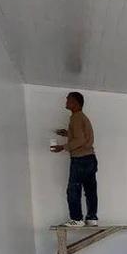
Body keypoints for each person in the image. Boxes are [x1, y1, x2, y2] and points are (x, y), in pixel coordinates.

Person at [51, 91, 98, 227]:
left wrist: (63, 147)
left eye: (68, 99)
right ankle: (92, 218)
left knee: (73, 189)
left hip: (80, 160)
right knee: (90, 190)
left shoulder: (75, 118)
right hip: (90, 159)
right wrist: (68, 133)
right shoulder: (82, 117)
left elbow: (80, 140)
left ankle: (77, 219)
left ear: (75, 102)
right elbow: (83, 137)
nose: (66, 101)